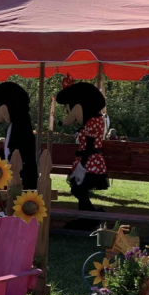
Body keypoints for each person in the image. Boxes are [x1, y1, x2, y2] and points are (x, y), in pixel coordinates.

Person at [56, 81, 108, 218]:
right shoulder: (90, 121)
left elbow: (90, 145)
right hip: (86, 160)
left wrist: (82, 165)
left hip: (90, 162)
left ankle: (90, 216)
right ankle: (88, 215)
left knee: (79, 189)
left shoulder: (94, 121)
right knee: (78, 190)